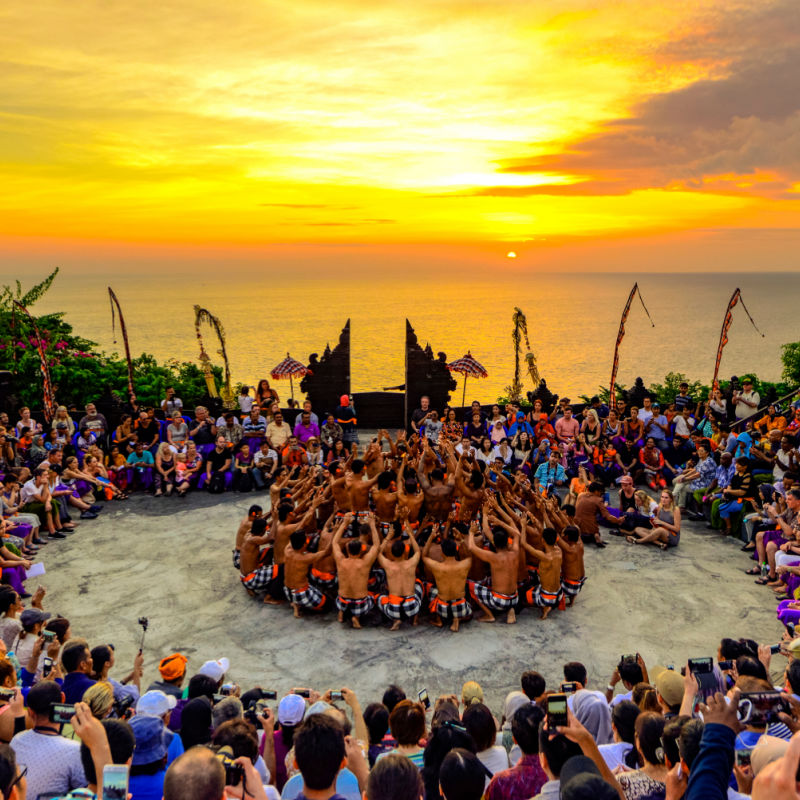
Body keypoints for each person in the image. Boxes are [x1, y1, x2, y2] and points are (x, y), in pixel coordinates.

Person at [10, 680, 86, 799]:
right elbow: (86, 792)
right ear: (62, 699)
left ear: (30, 712)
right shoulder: (74, 750)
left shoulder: (16, 740)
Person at [333, 513, 380, 628]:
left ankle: (342, 613)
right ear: (360, 551)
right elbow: (376, 546)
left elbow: (334, 542)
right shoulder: (364, 563)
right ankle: (356, 617)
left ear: (348, 550)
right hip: (360, 604)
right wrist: (373, 525)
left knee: (342, 598)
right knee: (375, 596)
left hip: (342, 601)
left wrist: (344, 523)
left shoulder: (340, 561)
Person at [375, 526, 423, 630]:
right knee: (419, 585)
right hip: (412, 607)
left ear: (391, 553)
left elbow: (377, 552)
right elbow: (418, 551)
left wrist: (388, 537)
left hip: (393, 609)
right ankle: (415, 617)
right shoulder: (411, 563)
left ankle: (396, 620)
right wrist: (410, 534)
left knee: (379, 597)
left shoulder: (388, 565)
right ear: (405, 552)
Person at [423, 535, 473, 632]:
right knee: (469, 611)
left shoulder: (437, 566)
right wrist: (462, 540)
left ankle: (439, 620)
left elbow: (424, 556)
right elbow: (469, 555)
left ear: (442, 553)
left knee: (431, 588)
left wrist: (430, 537)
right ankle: (457, 618)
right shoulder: (464, 564)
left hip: (443, 609)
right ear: (456, 550)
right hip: (461, 608)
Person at [574, 482, 620, 547]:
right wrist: (618, 521)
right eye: (600, 493)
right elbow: (608, 516)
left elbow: (577, 511)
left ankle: (594, 535)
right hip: (589, 533)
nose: (601, 495)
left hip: (577, 531)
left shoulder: (581, 495)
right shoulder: (598, 500)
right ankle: (596, 535)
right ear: (596, 491)